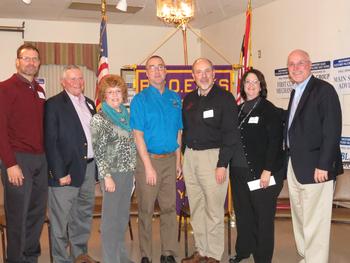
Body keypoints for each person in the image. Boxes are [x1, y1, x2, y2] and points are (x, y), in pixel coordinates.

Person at [285, 49, 343, 263]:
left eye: (301, 63)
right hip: (295, 165)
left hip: (316, 168)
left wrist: (324, 165)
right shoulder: (295, 91)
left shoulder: (323, 90)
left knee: (316, 220)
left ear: (310, 65)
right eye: (292, 64)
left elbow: (332, 130)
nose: (296, 67)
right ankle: (307, 256)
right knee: (300, 217)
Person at [181, 58, 240, 263]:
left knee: (214, 209)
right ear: (193, 76)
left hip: (213, 158)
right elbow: (185, 130)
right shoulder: (189, 99)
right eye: (199, 72)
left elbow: (231, 135)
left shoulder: (225, 98)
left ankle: (213, 255)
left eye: (207, 71)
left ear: (214, 74)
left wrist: (222, 164)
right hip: (190, 157)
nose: (203, 75)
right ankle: (201, 251)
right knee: (196, 207)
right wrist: (183, 157)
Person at [229, 69, 285, 263]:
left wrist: (267, 171)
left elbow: (275, 142)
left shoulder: (269, 110)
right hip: (237, 173)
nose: (251, 86)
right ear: (242, 87)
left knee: (263, 218)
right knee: (243, 214)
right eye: (247, 82)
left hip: (262, 173)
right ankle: (244, 250)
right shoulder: (237, 110)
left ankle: (262, 258)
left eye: (255, 82)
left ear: (261, 86)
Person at [130, 55, 182, 263]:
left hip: (170, 160)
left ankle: (168, 253)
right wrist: (148, 167)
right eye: (152, 68)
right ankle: (145, 255)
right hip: (147, 161)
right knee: (146, 209)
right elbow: (138, 136)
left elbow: (178, 132)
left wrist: (178, 161)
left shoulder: (174, 98)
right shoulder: (140, 99)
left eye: (160, 67)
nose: (157, 71)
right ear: (147, 73)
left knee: (170, 208)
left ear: (166, 70)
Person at [44, 65, 98, 263]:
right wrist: (59, 172)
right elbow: (50, 141)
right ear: (63, 82)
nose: (78, 83)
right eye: (72, 79)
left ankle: (79, 256)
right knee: (61, 220)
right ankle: (60, 259)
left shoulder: (90, 103)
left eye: (80, 79)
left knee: (82, 217)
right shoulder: (53, 104)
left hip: (88, 168)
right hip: (65, 172)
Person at [0, 43, 48, 263]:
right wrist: (10, 164)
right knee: (18, 216)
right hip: (17, 159)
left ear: (38, 64)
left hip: (40, 160)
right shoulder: (5, 88)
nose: (31, 62)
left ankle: (31, 257)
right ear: (17, 61)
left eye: (34, 59)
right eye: (26, 58)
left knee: (37, 214)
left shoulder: (39, 90)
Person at [90, 74, 136, 263]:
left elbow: (131, 145)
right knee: (110, 221)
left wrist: (133, 173)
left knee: (122, 217)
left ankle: (122, 256)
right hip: (112, 174)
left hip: (127, 172)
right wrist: (106, 176)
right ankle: (111, 259)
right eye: (110, 92)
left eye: (118, 91)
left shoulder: (125, 115)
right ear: (104, 95)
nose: (115, 95)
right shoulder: (99, 119)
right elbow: (99, 151)